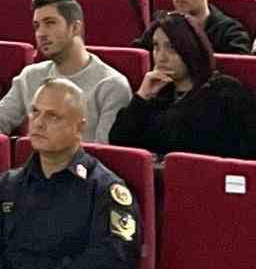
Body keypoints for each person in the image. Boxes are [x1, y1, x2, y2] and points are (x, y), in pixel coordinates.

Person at [0, 79, 141, 269]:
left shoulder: (104, 189)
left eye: (52, 116)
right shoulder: (9, 184)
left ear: (80, 128)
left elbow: (115, 258)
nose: (38, 124)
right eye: (35, 112)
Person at [0, 0, 131, 140]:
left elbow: (104, 152)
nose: (41, 34)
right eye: (37, 26)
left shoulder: (112, 85)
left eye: (50, 23)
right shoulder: (30, 76)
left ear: (75, 28)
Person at [109, 12, 256, 159]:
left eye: (171, 47)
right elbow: (119, 142)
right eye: (156, 47)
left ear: (190, 48)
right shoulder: (156, 94)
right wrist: (141, 97)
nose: (161, 57)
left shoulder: (225, 92)